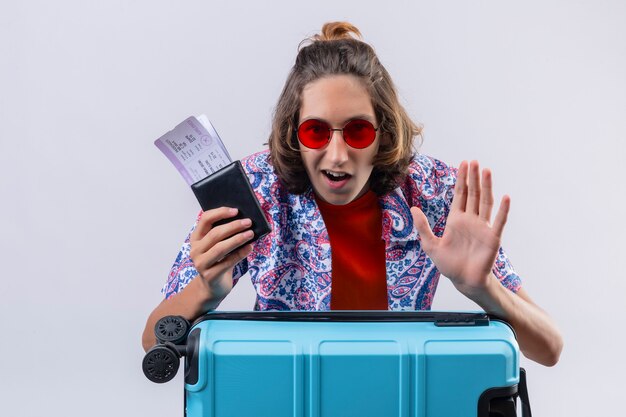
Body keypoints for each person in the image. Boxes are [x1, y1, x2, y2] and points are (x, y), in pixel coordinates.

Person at [142, 22, 563, 366]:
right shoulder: (258, 189)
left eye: (358, 130)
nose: (338, 155)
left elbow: (550, 347)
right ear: (295, 134)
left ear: (383, 133)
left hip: (399, 391)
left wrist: (483, 288)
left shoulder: (434, 192)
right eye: (317, 130)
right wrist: (205, 290)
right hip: (289, 393)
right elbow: (152, 339)